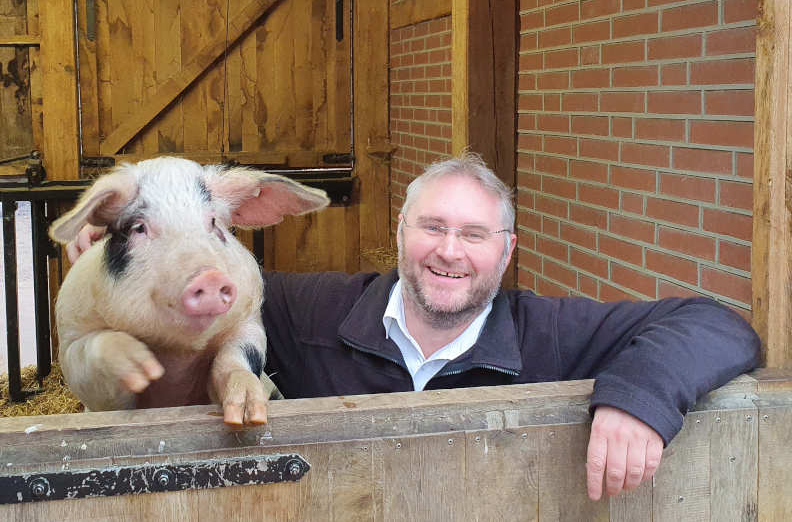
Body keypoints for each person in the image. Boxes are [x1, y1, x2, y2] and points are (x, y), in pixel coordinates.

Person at [65, 154, 761, 502]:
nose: (449, 251)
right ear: (400, 232)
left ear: (507, 250)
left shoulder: (549, 332)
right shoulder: (312, 311)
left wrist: (639, 395)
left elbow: (715, 323)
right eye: (431, 226)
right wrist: (118, 262)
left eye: (474, 233)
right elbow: (203, 300)